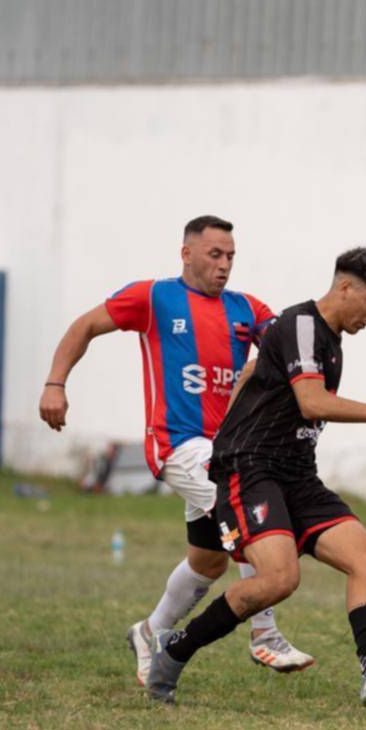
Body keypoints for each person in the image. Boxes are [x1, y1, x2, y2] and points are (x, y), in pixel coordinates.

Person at [146, 246, 366, 710]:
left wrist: (232, 416)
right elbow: (313, 402)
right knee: (280, 579)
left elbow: (252, 372)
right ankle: (174, 648)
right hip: (252, 469)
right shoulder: (302, 324)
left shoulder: (331, 342)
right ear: (345, 287)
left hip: (297, 474)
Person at [38, 215, 313, 678]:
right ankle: (264, 633)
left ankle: (150, 630)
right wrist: (54, 383)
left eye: (230, 257)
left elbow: (289, 344)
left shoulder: (247, 308)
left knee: (209, 562)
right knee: (249, 519)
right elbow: (85, 326)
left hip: (226, 450)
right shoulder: (154, 297)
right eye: (214, 255)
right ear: (186, 254)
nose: (224, 265)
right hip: (178, 445)